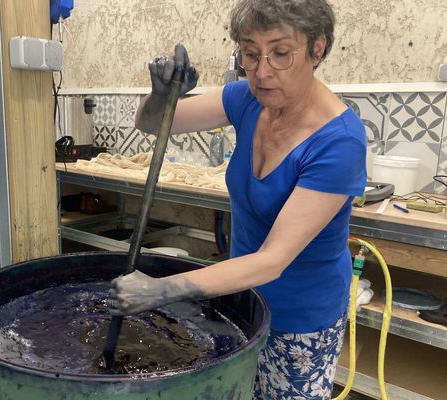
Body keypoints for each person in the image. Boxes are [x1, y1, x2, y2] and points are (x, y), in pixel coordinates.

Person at [108, 0, 367, 399]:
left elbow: (272, 259)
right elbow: (153, 124)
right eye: (250, 53)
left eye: (281, 53)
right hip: (241, 299)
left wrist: (161, 289)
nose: (262, 71)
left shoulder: (339, 142)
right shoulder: (247, 98)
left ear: (318, 49)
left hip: (301, 319)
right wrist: (161, 96)